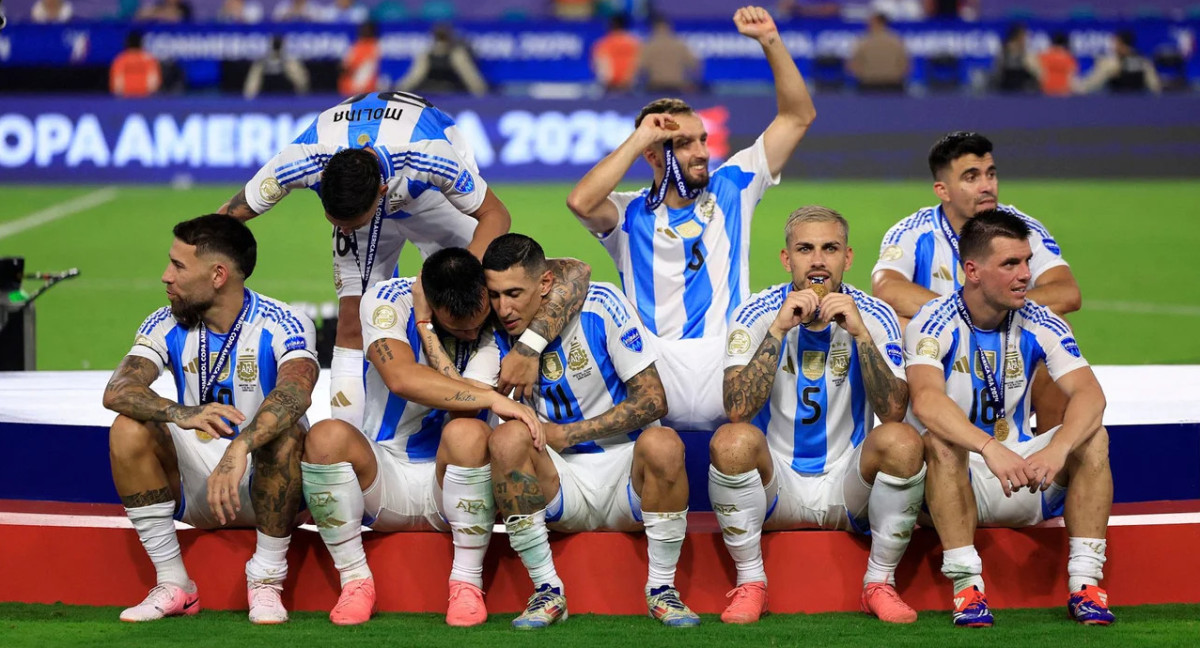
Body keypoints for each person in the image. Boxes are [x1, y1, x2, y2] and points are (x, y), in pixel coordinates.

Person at [301, 247, 581, 626]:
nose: (471, 331)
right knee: (325, 436)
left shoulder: (499, 315)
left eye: (477, 321)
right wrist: (494, 399)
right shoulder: (387, 301)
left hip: (454, 480)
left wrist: (430, 333)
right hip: (384, 474)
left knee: (466, 431)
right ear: (429, 301)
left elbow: (575, 269)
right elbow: (401, 378)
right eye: (457, 327)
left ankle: (465, 583)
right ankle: (355, 582)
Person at [566, 5, 816, 430]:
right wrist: (642, 136)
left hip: (728, 359)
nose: (701, 151)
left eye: (702, 139)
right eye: (683, 143)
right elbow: (581, 202)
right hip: (654, 368)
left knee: (740, 454)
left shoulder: (733, 187)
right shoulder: (628, 214)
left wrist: (771, 40)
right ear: (653, 153)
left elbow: (798, 116)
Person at [217, 91, 511, 429]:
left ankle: (474, 418)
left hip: (430, 196)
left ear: (381, 194)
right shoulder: (303, 157)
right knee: (351, 319)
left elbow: (496, 215)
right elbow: (228, 215)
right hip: (365, 192)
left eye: (349, 223)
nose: (340, 229)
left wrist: (457, 277)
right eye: (333, 221)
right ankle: (348, 442)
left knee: (469, 303)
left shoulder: (428, 154)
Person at [102, 215, 319, 624]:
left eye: (178, 266)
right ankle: (174, 583)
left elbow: (296, 392)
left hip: (265, 478)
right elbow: (118, 390)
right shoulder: (165, 322)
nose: (166, 277)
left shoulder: (283, 322)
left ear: (218, 274)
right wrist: (182, 413)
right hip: (197, 477)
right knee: (128, 426)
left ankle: (267, 581)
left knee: (284, 431)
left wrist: (241, 445)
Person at [711, 206, 924, 624]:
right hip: (777, 485)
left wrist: (860, 335)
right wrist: (777, 331)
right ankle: (752, 582)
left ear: (848, 258)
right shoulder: (756, 313)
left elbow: (894, 410)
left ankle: (879, 583)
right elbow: (736, 408)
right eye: (805, 249)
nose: (818, 261)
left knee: (904, 442)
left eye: (830, 248)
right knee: (731, 441)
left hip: (849, 486)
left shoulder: (874, 316)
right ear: (786, 258)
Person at [477, 234, 699, 629]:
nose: (504, 308)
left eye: (514, 293)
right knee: (506, 439)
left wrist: (568, 433)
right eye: (494, 295)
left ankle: (662, 590)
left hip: (627, 478)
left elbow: (653, 400)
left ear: (546, 284)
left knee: (664, 443)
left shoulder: (602, 304)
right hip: (559, 482)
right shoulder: (492, 331)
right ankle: (547, 590)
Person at [906, 210, 1114, 627]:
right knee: (940, 442)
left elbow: (1090, 394)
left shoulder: (1041, 321)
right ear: (973, 270)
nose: (1026, 275)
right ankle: (967, 589)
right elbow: (927, 401)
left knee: (1093, 437)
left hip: (1028, 470)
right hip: (961, 480)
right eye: (1010, 264)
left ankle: (1086, 585)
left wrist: (1056, 449)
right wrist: (988, 448)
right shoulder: (933, 321)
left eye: (1027, 262)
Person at [871, 131, 1079, 431]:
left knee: (1057, 329)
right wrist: (963, 317)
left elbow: (1067, 292)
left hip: (1005, 341)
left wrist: (995, 310)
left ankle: (1049, 452)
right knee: (903, 327)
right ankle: (921, 436)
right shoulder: (915, 232)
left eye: (990, 174)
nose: (986, 186)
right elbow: (886, 287)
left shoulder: (1021, 228)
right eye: (971, 177)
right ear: (943, 190)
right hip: (942, 348)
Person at [395, 23, 488, 97]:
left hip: (451, 95)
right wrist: (398, 91)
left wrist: (481, 93)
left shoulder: (456, 55)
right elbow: (413, 78)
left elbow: (472, 79)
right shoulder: (426, 56)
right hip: (431, 96)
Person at [1078, 30, 1161, 95]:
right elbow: (1155, 87)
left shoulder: (1113, 63)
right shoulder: (1144, 61)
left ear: (1121, 44)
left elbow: (1092, 84)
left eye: (1115, 43)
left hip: (1118, 101)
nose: (1113, 47)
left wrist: (1081, 88)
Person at [638, 15, 702, 94]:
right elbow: (695, 65)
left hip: (655, 87)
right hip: (677, 87)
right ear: (669, 27)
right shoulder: (680, 44)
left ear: (653, 28)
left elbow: (640, 67)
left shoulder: (649, 45)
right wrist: (691, 82)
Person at [847, 13, 909, 93]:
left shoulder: (862, 42)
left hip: (868, 86)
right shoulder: (897, 41)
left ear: (877, 22)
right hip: (893, 86)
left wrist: (864, 75)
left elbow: (852, 66)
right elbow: (906, 67)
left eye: (870, 21)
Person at [243, 35, 310, 99]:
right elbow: (250, 87)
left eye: (278, 45)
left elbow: (302, 83)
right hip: (265, 98)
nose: (276, 47)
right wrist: (249, 98)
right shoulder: (261, 62)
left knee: (293, 66)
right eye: (275, 45)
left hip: (289, 97)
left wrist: (302, 94)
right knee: (257, 68)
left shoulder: (290, 61)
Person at [591, 14, 641, 93]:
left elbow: (601, 65)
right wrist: (627, 79)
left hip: (612, 87)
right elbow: (637, 64)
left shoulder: (604, 43)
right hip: (628, 86)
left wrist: (609, 81)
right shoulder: (634, 43)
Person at [110, 31, 162, 98]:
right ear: (141, 44)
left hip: (126, 100)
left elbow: (117, 85)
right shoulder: (149, 60)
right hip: (145, 99)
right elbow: (153, 84)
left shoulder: (120, 60)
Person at [339, 21, 382, 96]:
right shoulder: (356, 46)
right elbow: (344, 67)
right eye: (363, 29)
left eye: (367, 30)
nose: (364, 32)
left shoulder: (376, 46)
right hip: (349, 91)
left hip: (368, 91)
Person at [1038, 32, 1076, 97]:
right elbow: (1071, 77)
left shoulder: (1044, 56)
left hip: (1047, 92)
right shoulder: (1069, 58)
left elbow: (1040, 74)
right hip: (1063, 92)